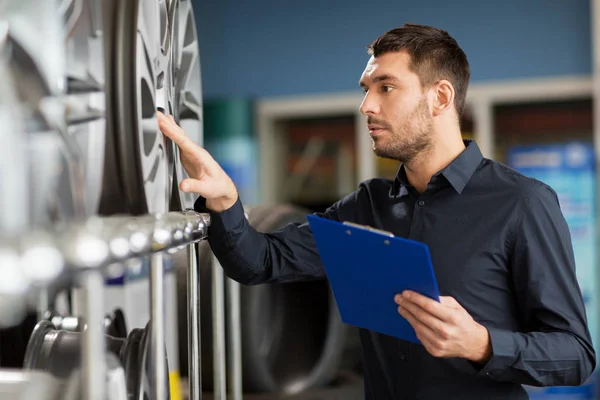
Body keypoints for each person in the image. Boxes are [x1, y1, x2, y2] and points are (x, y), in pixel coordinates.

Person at [158, 23, 596, 399]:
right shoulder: (368, 205)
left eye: (386, 87)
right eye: (366, 90)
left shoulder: (522, 203)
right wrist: (224, 202)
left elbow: (575, 355)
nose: (367, 106)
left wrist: (481, 343)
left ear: (440, 97)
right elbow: (259, 261)